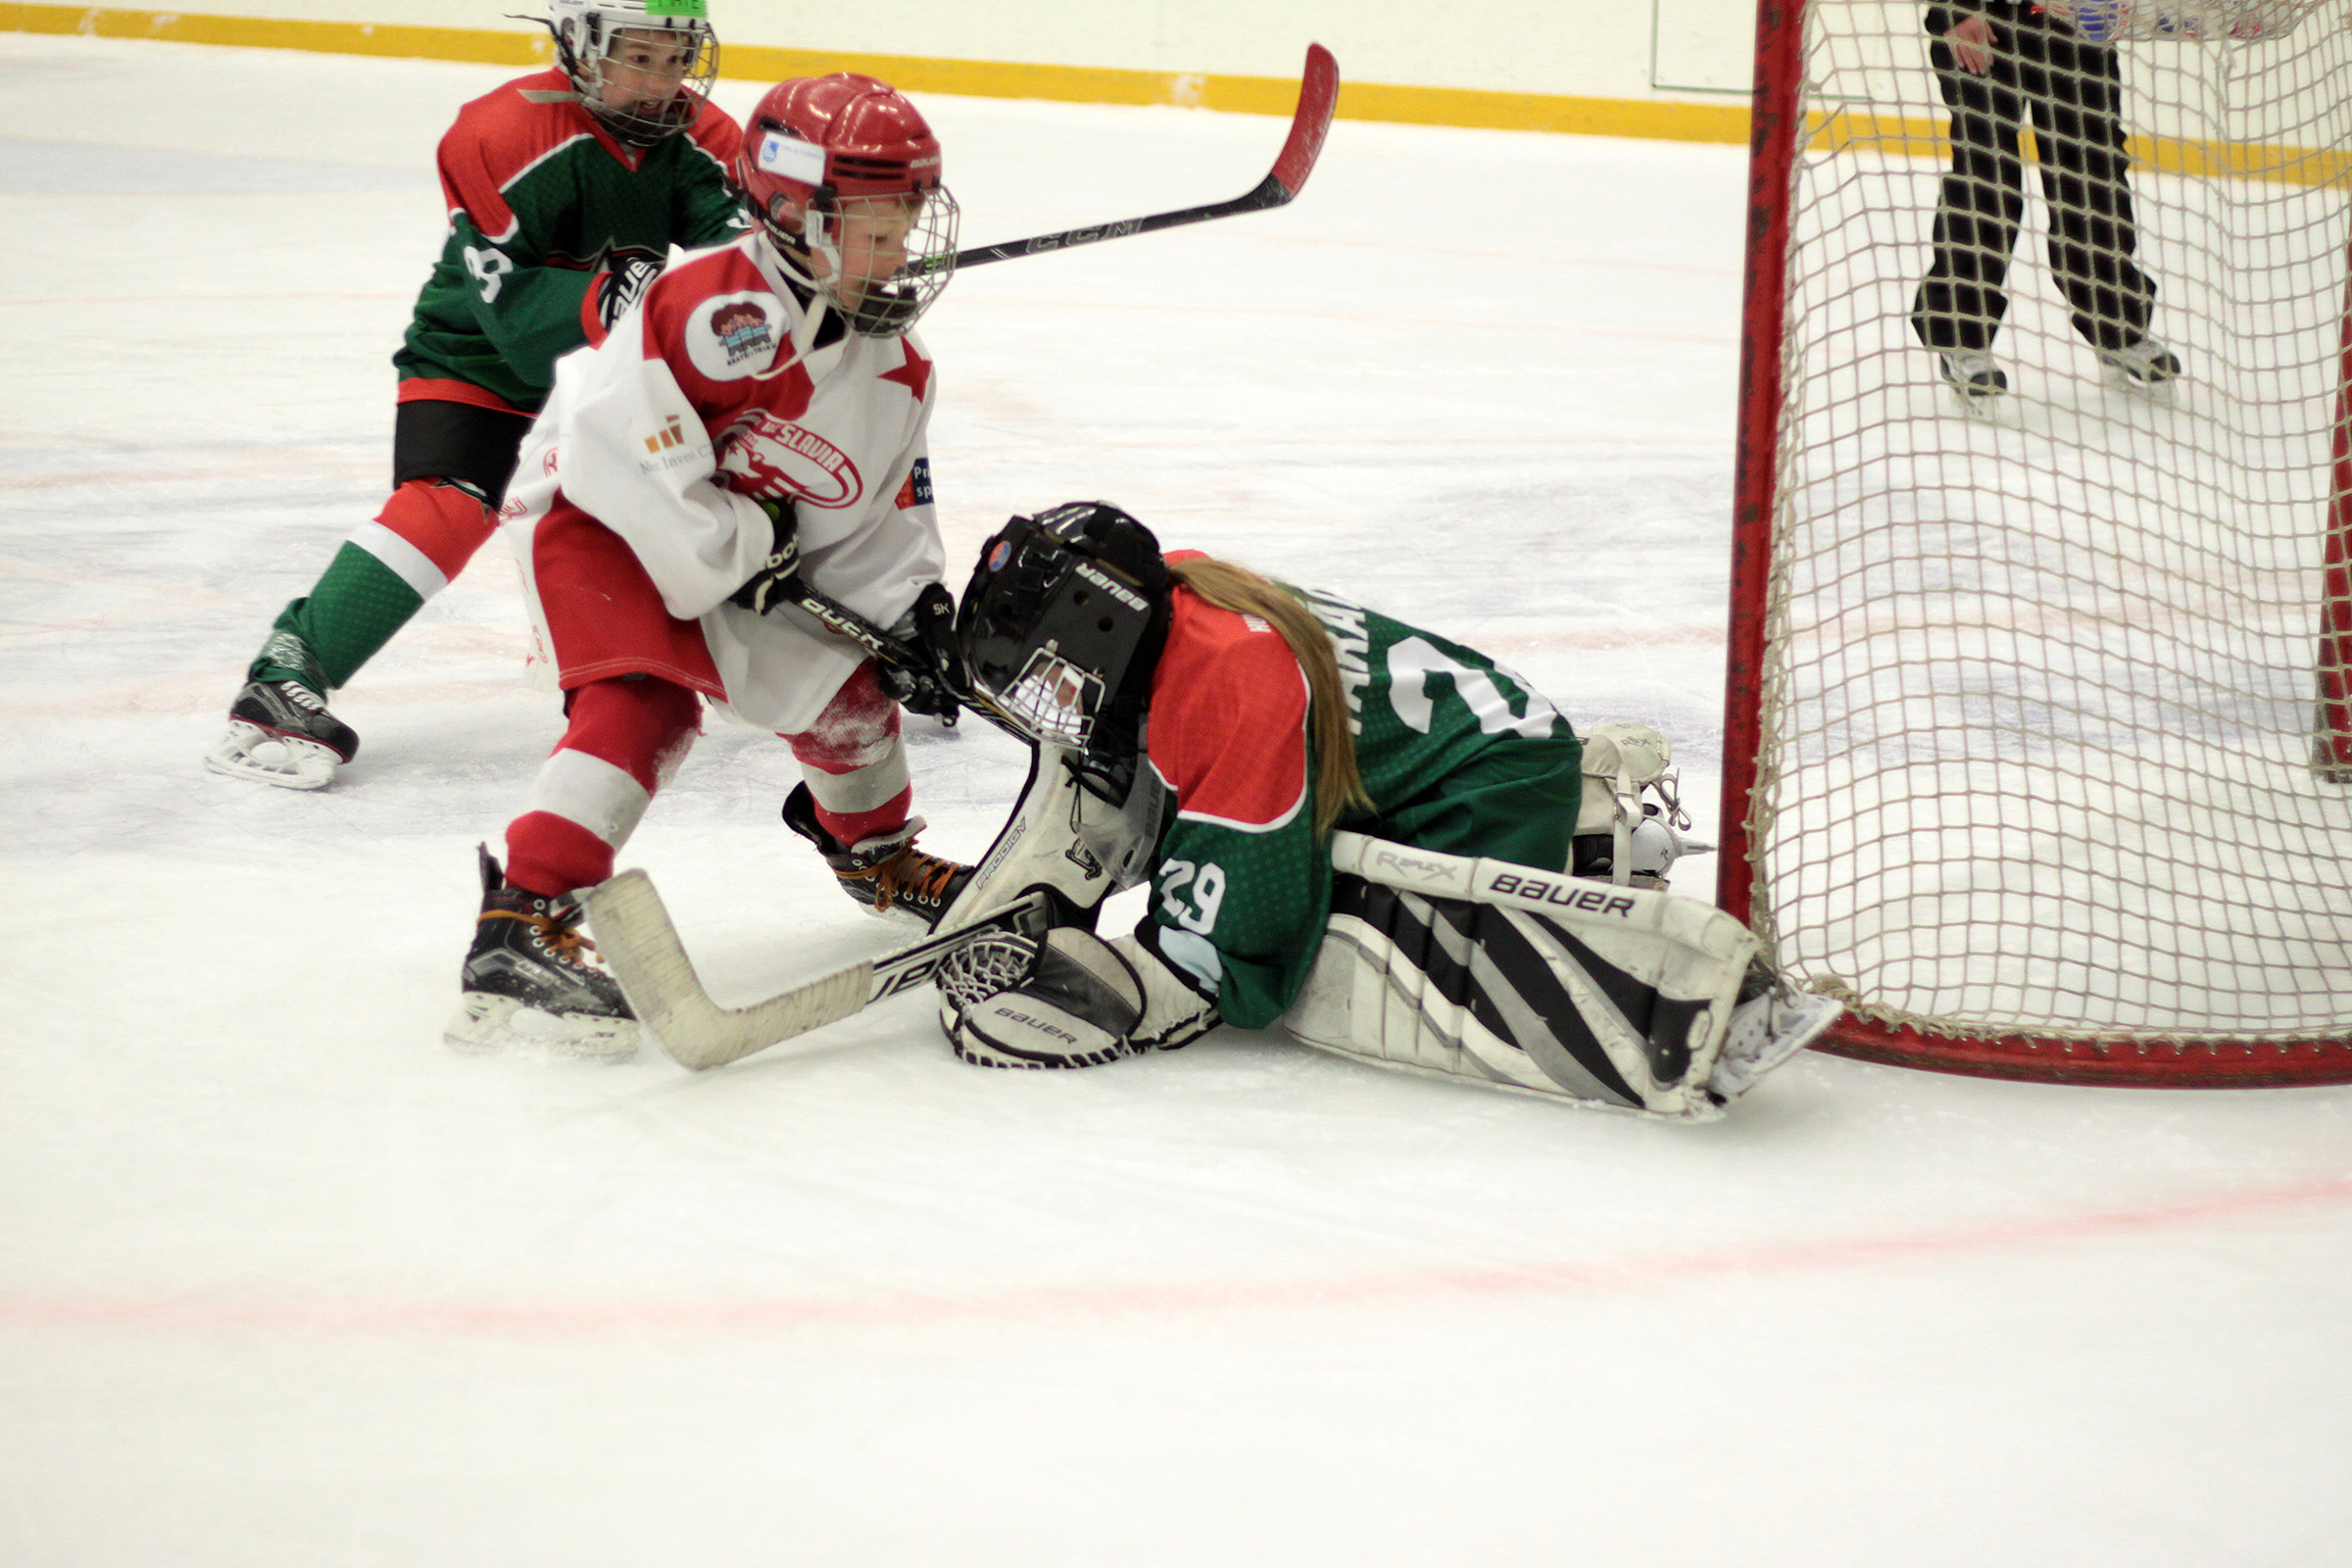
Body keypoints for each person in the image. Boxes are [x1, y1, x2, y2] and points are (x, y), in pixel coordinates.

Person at [924, 504, 1833, 1117]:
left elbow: (1237, 936)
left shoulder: (1233, 684)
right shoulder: (1183, 592)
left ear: (1104, 621)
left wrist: (1145, 977)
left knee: (1337, 938)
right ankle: (1580, 807)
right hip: (1475, 737)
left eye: (1051, 669)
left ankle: (1589, 839)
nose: (1053, 698)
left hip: (1491, 784)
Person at [445, 71, 971, 1060]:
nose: (902, 249)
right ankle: (523, 917)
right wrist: (741, 543)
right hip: (599, 519)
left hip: (728, 548)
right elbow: (620, 452)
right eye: (877, 226)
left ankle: (876, 857)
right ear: (796, 217)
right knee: (647, 701)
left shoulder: (895, 369)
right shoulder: (712, 310)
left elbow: (875, 516)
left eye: (907, 221)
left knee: (852, 698)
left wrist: (910, 616)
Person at [206, 0, 743, 790]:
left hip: (618, 365)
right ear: (580, 46)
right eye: (638, 57)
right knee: (449, 504)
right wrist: (617, 297)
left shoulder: (702, 136)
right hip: (479, 352)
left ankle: (843, 643)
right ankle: (289, 672)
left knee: (738, 466)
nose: (661, 83)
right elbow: (516, 323)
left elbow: (739, 267)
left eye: (676, 60)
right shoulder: (499, 133)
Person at [1910, 1, 2181, 401]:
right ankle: (1961, 337)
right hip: (1984, 16)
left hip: (2073, 17)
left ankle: (2119, 329)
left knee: (2092, 172)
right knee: (1986, 173)